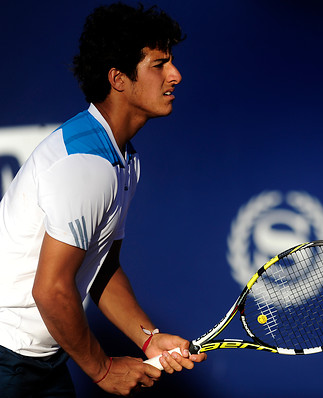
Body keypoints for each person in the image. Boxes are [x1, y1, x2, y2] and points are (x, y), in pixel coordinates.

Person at [0, 3, 206, 396]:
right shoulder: (86, 166)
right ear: (119, 79)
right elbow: (52, 289)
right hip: (7, 358)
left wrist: (147, 338)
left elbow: (101, 263)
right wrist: (103, 370)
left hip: (40, 358)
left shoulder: (123, 157)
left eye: (172, 62)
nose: (175, 75)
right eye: (159, 65)